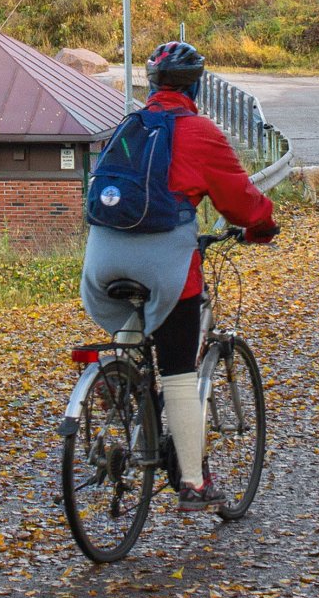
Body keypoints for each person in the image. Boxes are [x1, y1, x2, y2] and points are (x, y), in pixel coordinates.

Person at [79, 41, 278, 511]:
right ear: (196, 86)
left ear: (153, 84)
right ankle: (193, 482)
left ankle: (119, 372)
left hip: (101, 260)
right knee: (179, 372)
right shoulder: (198, 132)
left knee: (136, 313)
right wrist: (263, 225)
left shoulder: (128, 126)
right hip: (164, 262)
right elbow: (240, 199)